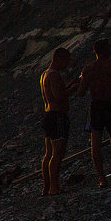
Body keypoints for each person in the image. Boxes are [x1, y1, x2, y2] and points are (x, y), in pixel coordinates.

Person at [77, 39, 111, 187]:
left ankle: (102, 179)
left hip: (96, 107)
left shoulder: (88, 69)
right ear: (108, 50)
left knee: (96, 146)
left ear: (95, 51)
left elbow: (81, 92)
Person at [40, 47, 73, 195]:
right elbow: (59, 97)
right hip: (57, 115)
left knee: (48, 153)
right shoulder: (54, 75)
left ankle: (46, 187)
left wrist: (69, 85)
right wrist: (73, 89)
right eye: (66, 61)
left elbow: (54, 94)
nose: (67, 64)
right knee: (57, 153)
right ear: (59, 58)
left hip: (48, 115)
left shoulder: (45, 74)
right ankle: (54, 187)